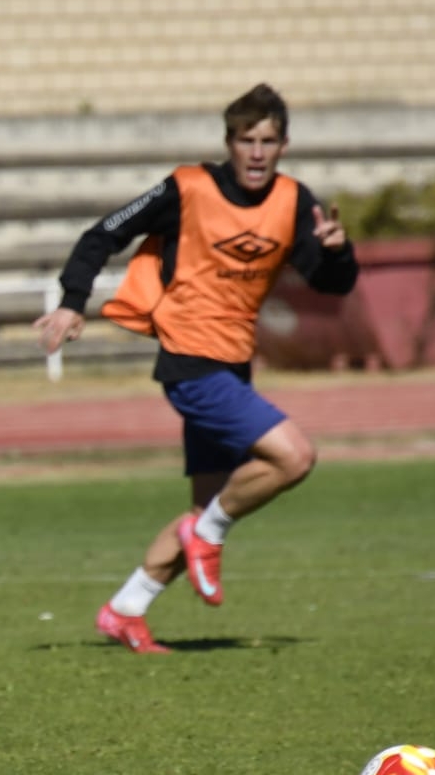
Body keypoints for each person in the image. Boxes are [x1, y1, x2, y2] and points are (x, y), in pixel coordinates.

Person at [34, 83, 359, 654]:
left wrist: (336, 252)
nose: (257, 153)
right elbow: (102, 234)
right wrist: (69, 301)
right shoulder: (188, 187)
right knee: (294, 457)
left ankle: (125, 610)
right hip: (190, 365)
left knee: (205, 504)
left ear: (284, 145)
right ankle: (206, 535)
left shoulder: (292, 200)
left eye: (268, 141)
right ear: (229, 143)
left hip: (233, 368)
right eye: (246, 140)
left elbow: (330, 283)